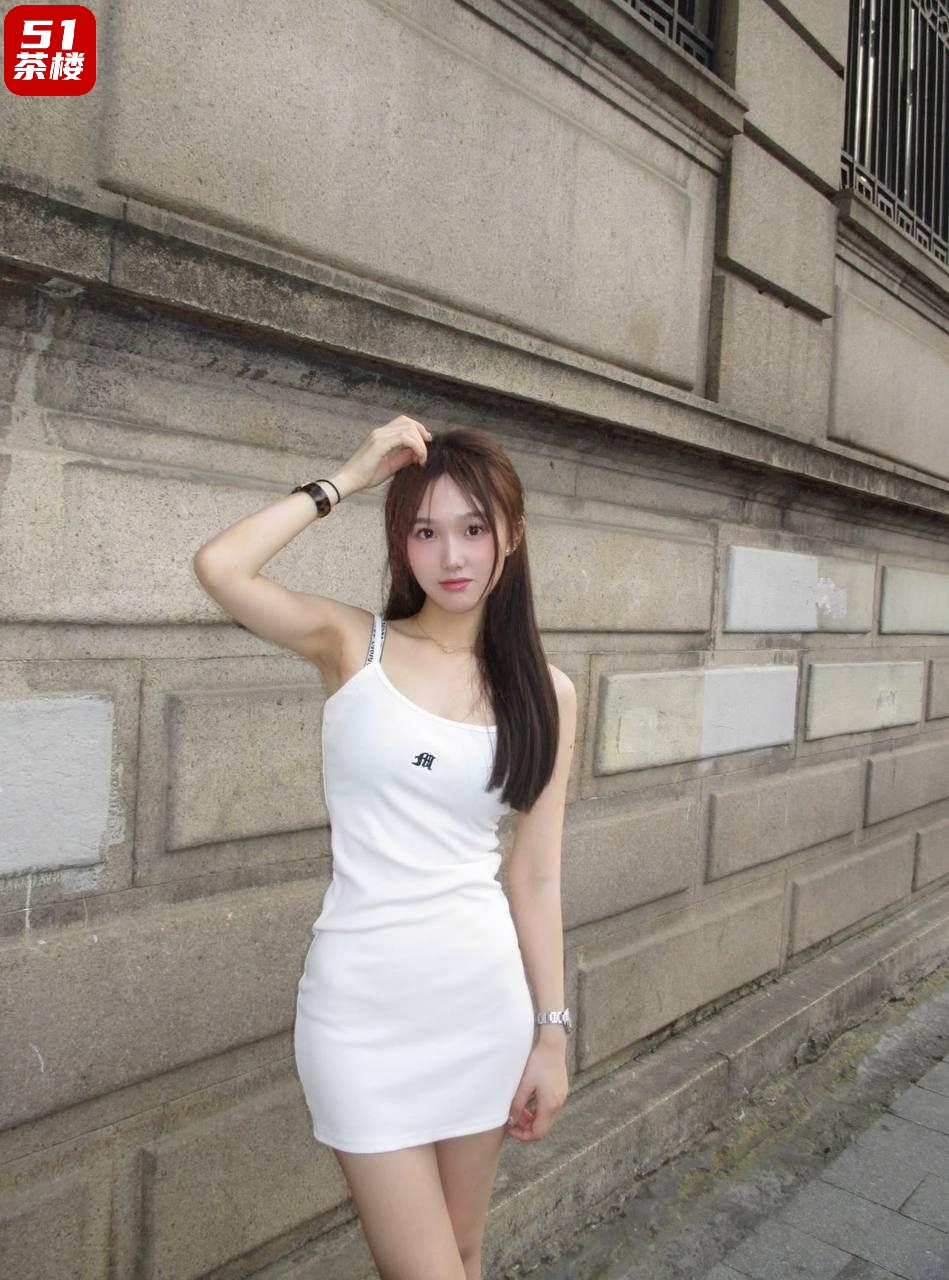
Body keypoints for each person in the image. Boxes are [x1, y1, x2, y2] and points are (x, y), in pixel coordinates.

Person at [192, 413, 576, 1280]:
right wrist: (348, 476)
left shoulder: (545, 693)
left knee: (465, 1252)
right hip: (359, 1016)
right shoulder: (352, 646)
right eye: (425, 532)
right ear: (401, 545)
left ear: (511, 537)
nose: (452, 556)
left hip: (480, 1010)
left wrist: (550, 1036)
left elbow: (536, 874)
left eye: (473, 529)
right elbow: (221, 567)